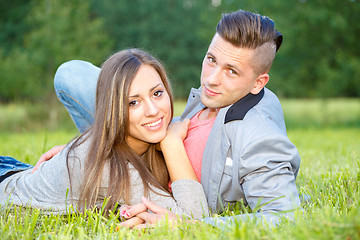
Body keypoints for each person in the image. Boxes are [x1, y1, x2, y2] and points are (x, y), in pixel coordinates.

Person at [36, 9, 301, 228]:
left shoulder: (258, 136)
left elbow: (284, 216)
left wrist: (188, 226)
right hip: (142, 149)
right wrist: (94, 148)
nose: (211, 79)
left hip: (161, 188)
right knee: (70, 75)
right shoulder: (213, 97)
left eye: (231, 71)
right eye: (211, 59)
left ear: (258, 82)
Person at [0, 49, 209, 221]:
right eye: (133, 102)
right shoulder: (109, 167)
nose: (153, 110)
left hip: (17, 169)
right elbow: (195, 217)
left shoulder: (140, 137)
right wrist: (172, 143)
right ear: (112, 109)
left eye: (157, 93)